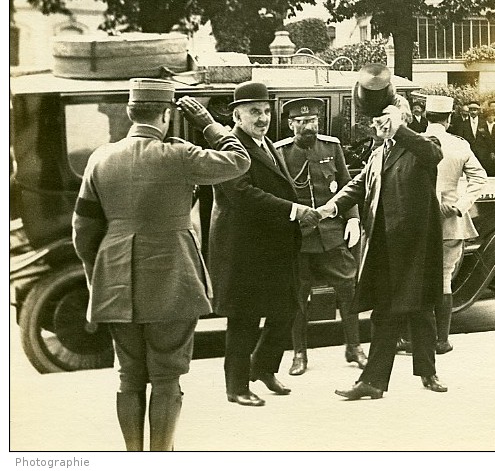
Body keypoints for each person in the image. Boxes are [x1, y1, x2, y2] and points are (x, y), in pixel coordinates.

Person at [72, 79, 251, 450]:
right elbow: (239, 160)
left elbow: (83, 229)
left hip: (116, 278)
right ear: (167, 115)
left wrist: (97, 278)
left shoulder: (100, 158)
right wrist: (207, 124)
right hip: (173, 278)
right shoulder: (179, 155)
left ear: (129, 112)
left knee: (129, 378)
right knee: (167, 377)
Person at [320, 66, 447, 399]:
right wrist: (329, 208)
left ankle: (427, 373)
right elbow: (356, 186)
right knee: (386, 314)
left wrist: (399, 129)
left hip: (415, 246)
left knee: (420, 311)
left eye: (385, 121)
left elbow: (433, 154)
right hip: (386, 248)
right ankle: (374, 381)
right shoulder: (378, 155)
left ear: (402, 119)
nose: (379, 127)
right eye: (377, 122)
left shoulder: (421, 145)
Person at [209, 81, 313, 407]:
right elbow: (241, 194)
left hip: (274, 245)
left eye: (266, 111)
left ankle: (263, 369)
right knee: (244, 318)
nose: (263, 117)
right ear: (237, 114)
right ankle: (236, 387)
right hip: (245, 249)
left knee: (287, 309)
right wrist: (293, 210)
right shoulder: (231, 146)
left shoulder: (265, 143)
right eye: (255, 111)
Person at [277, 98, 368, 375]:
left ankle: (354, 347)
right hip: (299, 238)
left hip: (331, 234)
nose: (309, 127)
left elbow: (346, 186)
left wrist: (352, 218)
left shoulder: (332, 146)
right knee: (298, 296)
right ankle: (299, 354)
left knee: (348, 289)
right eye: (302, 122)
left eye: (313, 121)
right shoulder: (280, 152)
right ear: (291, 124)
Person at [422, 95, 487, 353]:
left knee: (415, 278)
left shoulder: (413, 141)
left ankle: (409, 337)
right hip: (450, 221)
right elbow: (480, 181)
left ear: (426, 116)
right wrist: (460, 206)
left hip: (416, 223)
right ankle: (442, 340)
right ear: (448, 120)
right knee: (444, 277)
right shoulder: (459, 146)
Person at [456, 101, 494, 176]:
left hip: (482, 152)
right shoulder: (464, 124)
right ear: (469, 111)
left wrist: (491, 151)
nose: (473, 112)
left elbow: (488, 138)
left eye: (475, 110)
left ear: (478, 111)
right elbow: (461, 138)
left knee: (482, 170)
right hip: (469, 151)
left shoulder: (483, 123)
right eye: (471, 110)